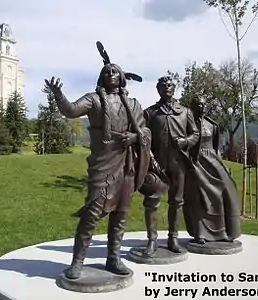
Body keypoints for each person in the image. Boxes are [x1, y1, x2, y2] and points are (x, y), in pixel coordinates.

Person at [44, 63, 151, 279]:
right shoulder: (93, 99)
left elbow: (145, 130)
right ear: (101, 77)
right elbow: (71, 110)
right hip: (102, 164)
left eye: (114, 71)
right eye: (106, 71)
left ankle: (113, 258)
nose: (110, 73)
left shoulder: (133, 104)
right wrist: (58, 94)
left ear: (121, 77)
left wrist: (135, 137)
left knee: (121, 215)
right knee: (91, 213)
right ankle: (77, 262)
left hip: (126, 165)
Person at [141, 75, 200, 256]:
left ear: (174, 89)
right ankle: (152, 240)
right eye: (163, 85)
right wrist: (149, 157)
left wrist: (185, 141)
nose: (167, 87)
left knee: (176, 202)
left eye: (170, 85)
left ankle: (173, 238)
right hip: (156, 165)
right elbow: (143, 136)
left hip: (178, 163)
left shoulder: (185, 112)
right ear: (158, 90)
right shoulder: (150, 113)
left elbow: (195, 134)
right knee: (152, 202)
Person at [183, 96, 241, 244]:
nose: (201, 107)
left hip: (212, 159)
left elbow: (217, 149)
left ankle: (222, 232)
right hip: (194, 162)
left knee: (225, 189)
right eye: (197, 104)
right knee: (199, 197)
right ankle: (200, 233)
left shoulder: (212, 125)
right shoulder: (185, 124)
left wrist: (223, 166)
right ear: (192, 106)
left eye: (203, 104)